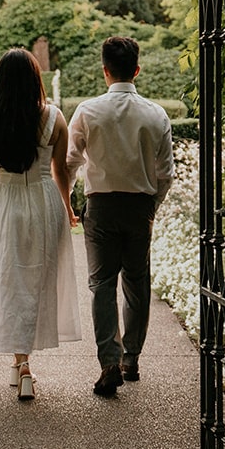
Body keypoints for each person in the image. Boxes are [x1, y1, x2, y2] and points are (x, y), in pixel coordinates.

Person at [0, 48, 80, 400]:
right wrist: (67, 208)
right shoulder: (54, 118)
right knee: (36, 278)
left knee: (11, 277)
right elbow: (61, 171)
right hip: (42, 201)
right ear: (35, 80)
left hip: (4, 201)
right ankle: (23, 362)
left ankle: (20, 362)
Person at [66, 36, 174, 398]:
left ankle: (108, 363)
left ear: (104, 71)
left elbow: (69, 161)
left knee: (101, 285)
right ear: (137, 70)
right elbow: (166, 174)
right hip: (139, 206)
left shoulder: (87, 110)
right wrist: (152, 207)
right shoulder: (156, 113)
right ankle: (131, 359)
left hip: (100, 206)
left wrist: (66, 200)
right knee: (137, 283)